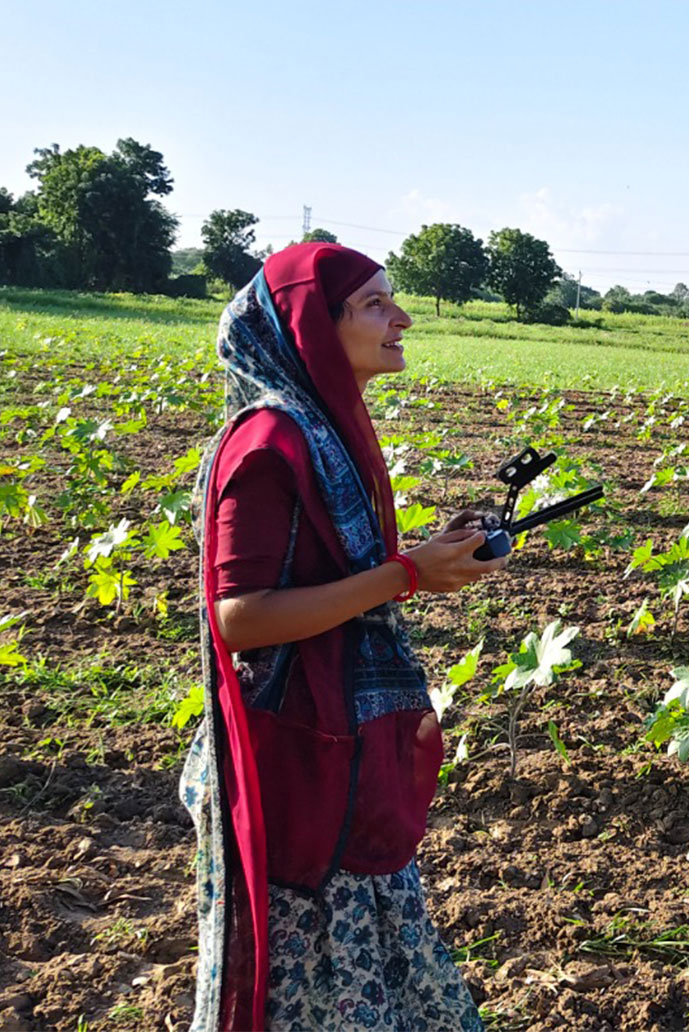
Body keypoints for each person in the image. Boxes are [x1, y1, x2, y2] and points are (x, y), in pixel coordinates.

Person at [180, 243, 504, 1030]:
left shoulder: (324, 428)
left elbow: (326, 575)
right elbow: (241, 616)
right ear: (311, 329)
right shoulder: (271, 445)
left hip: (341, 746)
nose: (401, 317)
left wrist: (429, 553)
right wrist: (406, 575)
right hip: (298, 762)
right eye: (372, 304)